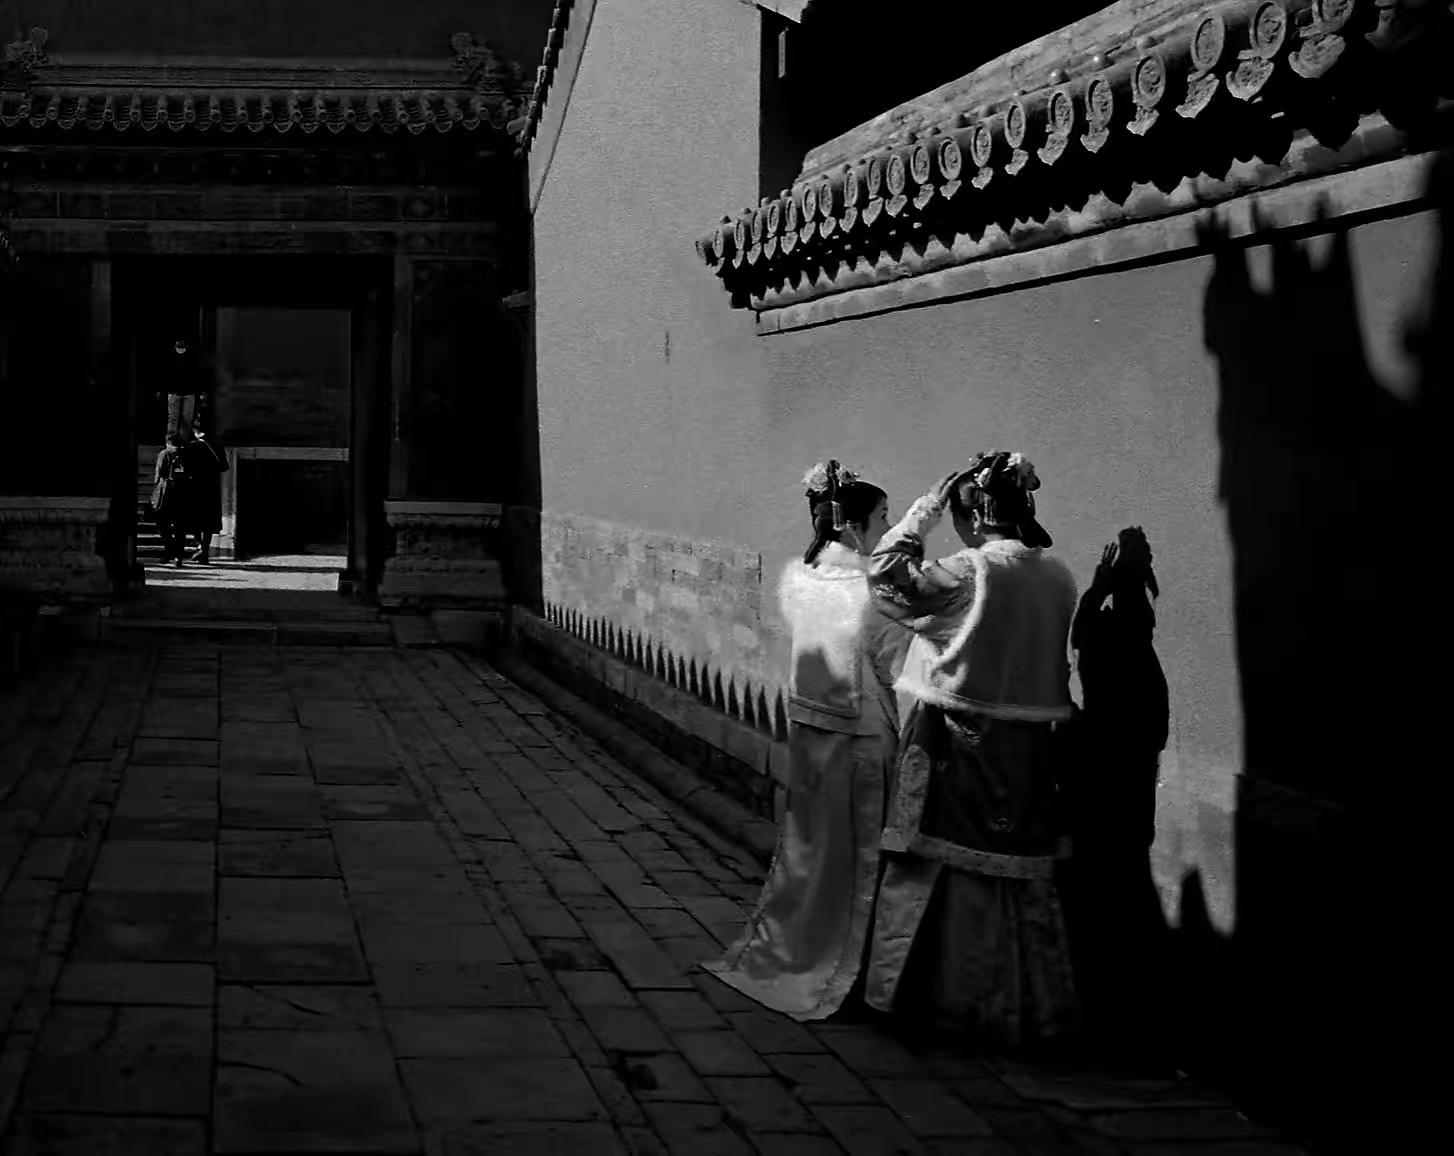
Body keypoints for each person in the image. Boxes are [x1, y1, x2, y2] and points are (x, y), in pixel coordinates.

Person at [863, 450, 1080, 1047]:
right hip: (1031, 748)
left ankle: (935, 996)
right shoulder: (1058, 575)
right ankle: (1023, 1004)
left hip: (958, 739)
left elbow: (886, 580)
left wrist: (920, 516)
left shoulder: (968, 574)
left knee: (934, 864)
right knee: (1016, 875)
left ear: (976, 514)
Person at [703, 460, 910, 1021]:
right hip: (862, 742)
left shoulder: (803, 577)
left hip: (813, 740)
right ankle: (849, 970)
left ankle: (792, 949)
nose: (888, 527)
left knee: (809, 853)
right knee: (860, 860)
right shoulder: (874, 591)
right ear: (853, 525)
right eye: (883, 517)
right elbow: (900, 670)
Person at [1063, 526, 1170, 1047]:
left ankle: (1097, 995)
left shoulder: (1101, 645)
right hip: (1129, 795)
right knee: (1123, 885)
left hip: (1098, 784)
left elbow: (1079, 634)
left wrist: (1096, 586)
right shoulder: (1146, 670)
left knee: (1097, 889)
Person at [176, 415, 228, 564]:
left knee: (194, 521)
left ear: (195, 431)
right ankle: (204, 551)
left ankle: (200, 546)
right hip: (212, 489)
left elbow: (184, 468)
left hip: (195, 489)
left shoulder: (191, 447)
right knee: (209, 523)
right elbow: (224, 467)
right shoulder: (217, 445)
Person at [151, 433, 188, 565]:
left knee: (162, 524)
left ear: (168, 442)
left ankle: (169, 550)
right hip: (182, 493)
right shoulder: (186, 454)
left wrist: (156, 491)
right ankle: (179, 556)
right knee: (180, 526)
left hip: (166, 494)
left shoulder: (164, 454)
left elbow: (159, 473)